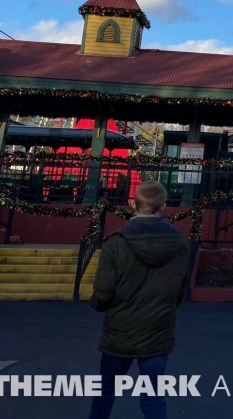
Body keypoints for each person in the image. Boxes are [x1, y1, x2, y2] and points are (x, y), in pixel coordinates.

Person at [88, 179, 189, 419]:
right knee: (153, 396)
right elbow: (179, 289)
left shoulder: (117, 242)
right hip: (157, 329)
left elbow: (103, 291)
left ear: (133, 204)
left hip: (120, 329)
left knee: (106, 391)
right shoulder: (178, 244)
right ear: (162, 206)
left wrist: (98, 305)